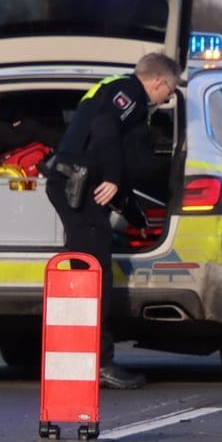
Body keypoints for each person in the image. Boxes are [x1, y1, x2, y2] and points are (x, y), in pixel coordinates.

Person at [46, 52, 181, 390]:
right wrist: (113, 177)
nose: (169, 98)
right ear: (159, 82)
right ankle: (98, 363)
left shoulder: (111, 88)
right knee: (93, 273)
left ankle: (79, 358)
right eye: (171, 90)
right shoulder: (131, 94)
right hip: (78, 183)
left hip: (72, 182)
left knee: (85, 269)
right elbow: (105, 127)